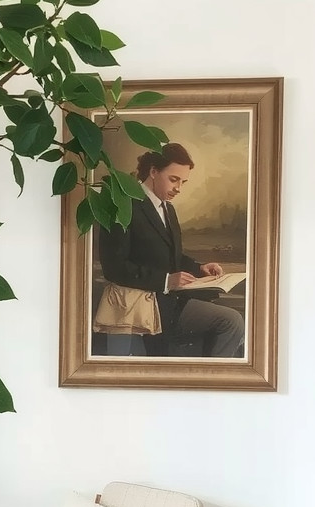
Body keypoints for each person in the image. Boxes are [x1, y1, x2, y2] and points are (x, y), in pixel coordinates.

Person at [96, 142, 244, 358]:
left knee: (232, 321)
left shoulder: (168, 209)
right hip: (139, 308)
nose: (179, 188)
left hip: (170, 304)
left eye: (183, 182)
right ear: (153, 171)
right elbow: (113, 267)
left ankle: (213, 381)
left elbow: (172, 256)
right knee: (231, 322)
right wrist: (166, 280)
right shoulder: (123, 205)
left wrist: (200, 267)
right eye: (174, 179)